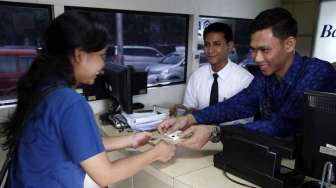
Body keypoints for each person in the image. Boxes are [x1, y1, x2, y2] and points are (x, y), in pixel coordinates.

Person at [0, 11, 175, 187]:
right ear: (79, 55)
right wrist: (156, 153)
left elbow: (77, 142)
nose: (103, 65)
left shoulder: (43, 89)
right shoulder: (70, 103)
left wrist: (129, 140)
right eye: (101, 56)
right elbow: (106, 175)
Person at [160, 7, 336, 150]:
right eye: (253, 50)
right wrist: (191, 119)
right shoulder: (265, 78)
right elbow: (237, 104)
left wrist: (216, 131)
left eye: (265, 50)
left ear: (289, 44)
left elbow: (283, 125)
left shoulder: (318, 74)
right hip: (272, 155)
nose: (256, 58)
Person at [173, 22, 253, 125]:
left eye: (217, 44)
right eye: (207, 44)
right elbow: (188, 112)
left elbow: (245, 121)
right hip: (197, 133)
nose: (210, 50)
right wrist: (183, 112)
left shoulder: (245, 80)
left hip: (228, 137)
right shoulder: (196, 76)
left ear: (230, 46)